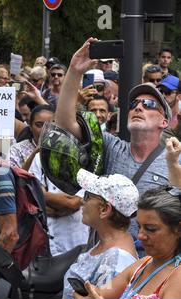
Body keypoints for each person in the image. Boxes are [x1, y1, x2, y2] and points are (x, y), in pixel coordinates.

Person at [55, 38, 175, 244]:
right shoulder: (111, 147)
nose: (138, 107)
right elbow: (65, 124)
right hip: (105, 260)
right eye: (134, 103)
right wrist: (74, 71)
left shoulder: (174, 162)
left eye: (148, 104)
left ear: (164, 121)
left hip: (150, 265)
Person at [74, 184, 180, 299]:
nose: (140, 236)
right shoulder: (143, 265)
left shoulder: (177, 277)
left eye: (150, 229)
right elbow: (100, 293)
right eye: (139, 227)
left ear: (178, 230)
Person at [62, 169, 139, 299]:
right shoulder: (107, 243)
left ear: (104, 210)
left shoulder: (115, 262)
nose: (82, 202)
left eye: (87, 196)